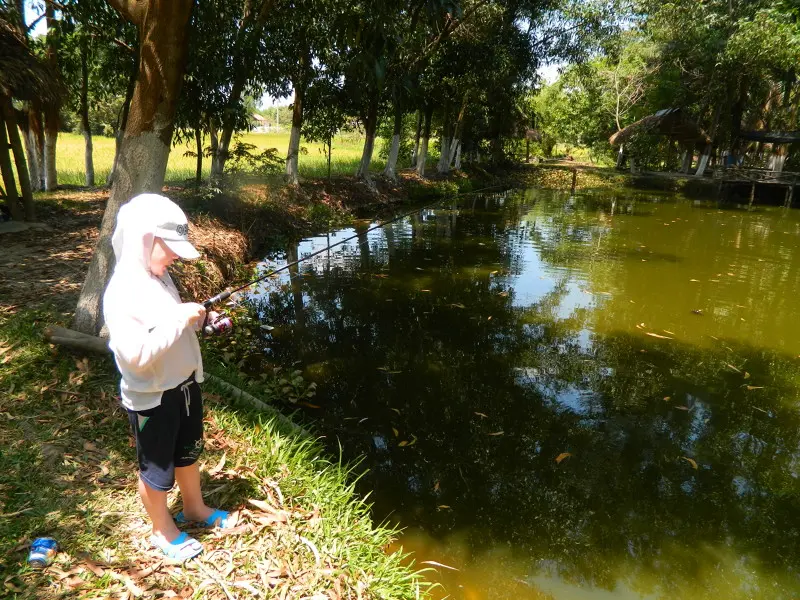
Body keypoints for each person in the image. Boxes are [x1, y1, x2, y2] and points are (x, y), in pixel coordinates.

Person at [103, 193, 230, 561]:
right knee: (157, 469)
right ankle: (162, 528)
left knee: (188, 454)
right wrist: (179, 319)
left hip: (184, 388)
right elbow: (136, 356)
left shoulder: (159, 277)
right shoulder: (122, 291)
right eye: (170, 248)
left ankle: (194, 507)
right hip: (153, 399)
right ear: (144, 238)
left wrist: (199, 320)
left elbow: (172, 328)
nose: (175, 256)